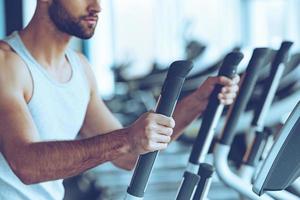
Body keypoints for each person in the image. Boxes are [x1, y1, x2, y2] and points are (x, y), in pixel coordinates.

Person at [0, 0, 240, 199]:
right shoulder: (6, 64)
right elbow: (26, 165)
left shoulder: (80, 70)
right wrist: (127, 138)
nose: (96, 7)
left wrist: (199, 101)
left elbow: (129, 156)